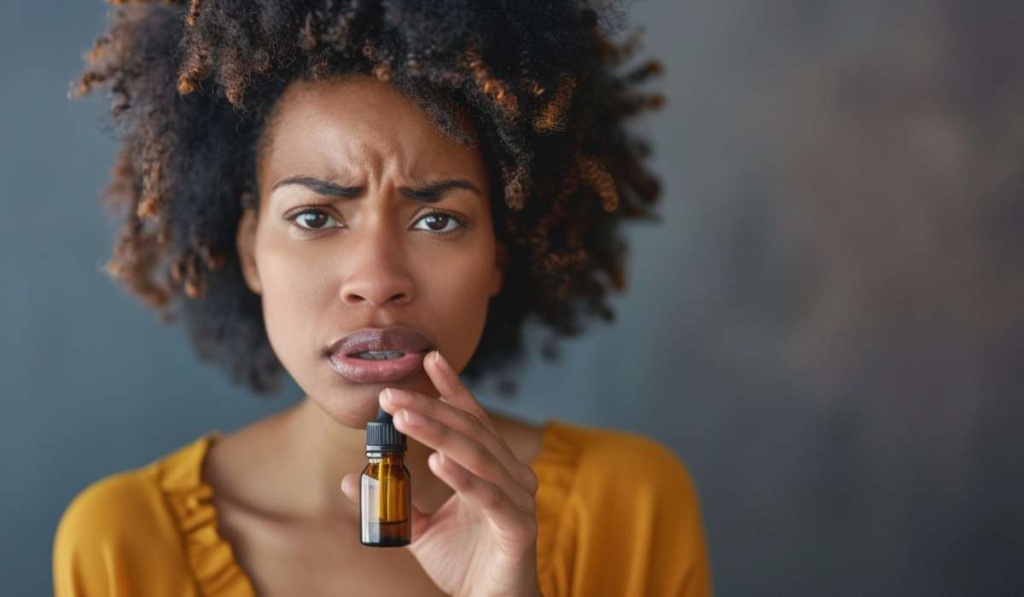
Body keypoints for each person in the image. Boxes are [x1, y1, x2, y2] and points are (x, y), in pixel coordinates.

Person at [53, 1, 711, 595]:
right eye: (315, 217)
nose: (378, 278)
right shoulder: (123, 543)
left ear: (498, 260)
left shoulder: (629, 508)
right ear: (251, 248)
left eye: (437, 220)